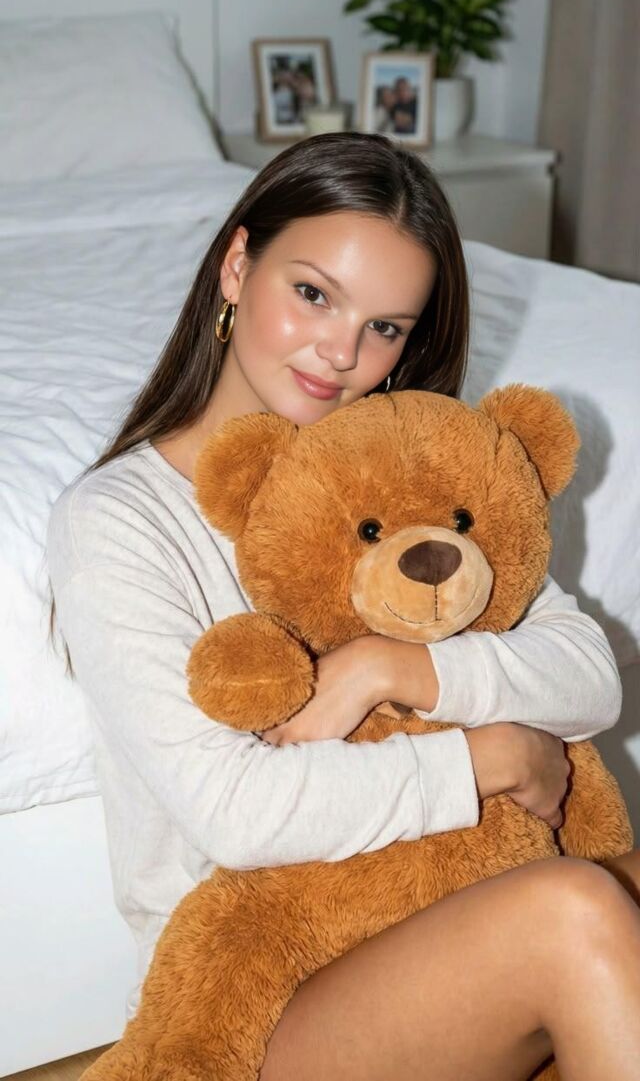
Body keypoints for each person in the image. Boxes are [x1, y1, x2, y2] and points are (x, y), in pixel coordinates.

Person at [47, 132, 640, 1081]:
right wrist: (483, 757)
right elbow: (237, 813)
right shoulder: (116, 521)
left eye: (386, 327)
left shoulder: (405, 463)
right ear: (237, 266)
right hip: (258, 1001)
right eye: (314, 294)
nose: (342, 353)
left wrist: (390, 667)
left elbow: (587, 678)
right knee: (577, 911)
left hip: (443, 908)